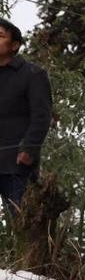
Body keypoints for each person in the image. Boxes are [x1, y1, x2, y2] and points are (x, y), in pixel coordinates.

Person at [0, 18, 52, 218]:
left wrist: (29, 149)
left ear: (14, 45)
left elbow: (42, 115)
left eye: (0, 36)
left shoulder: (32, 74)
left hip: (17, 165)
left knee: (24, 224)